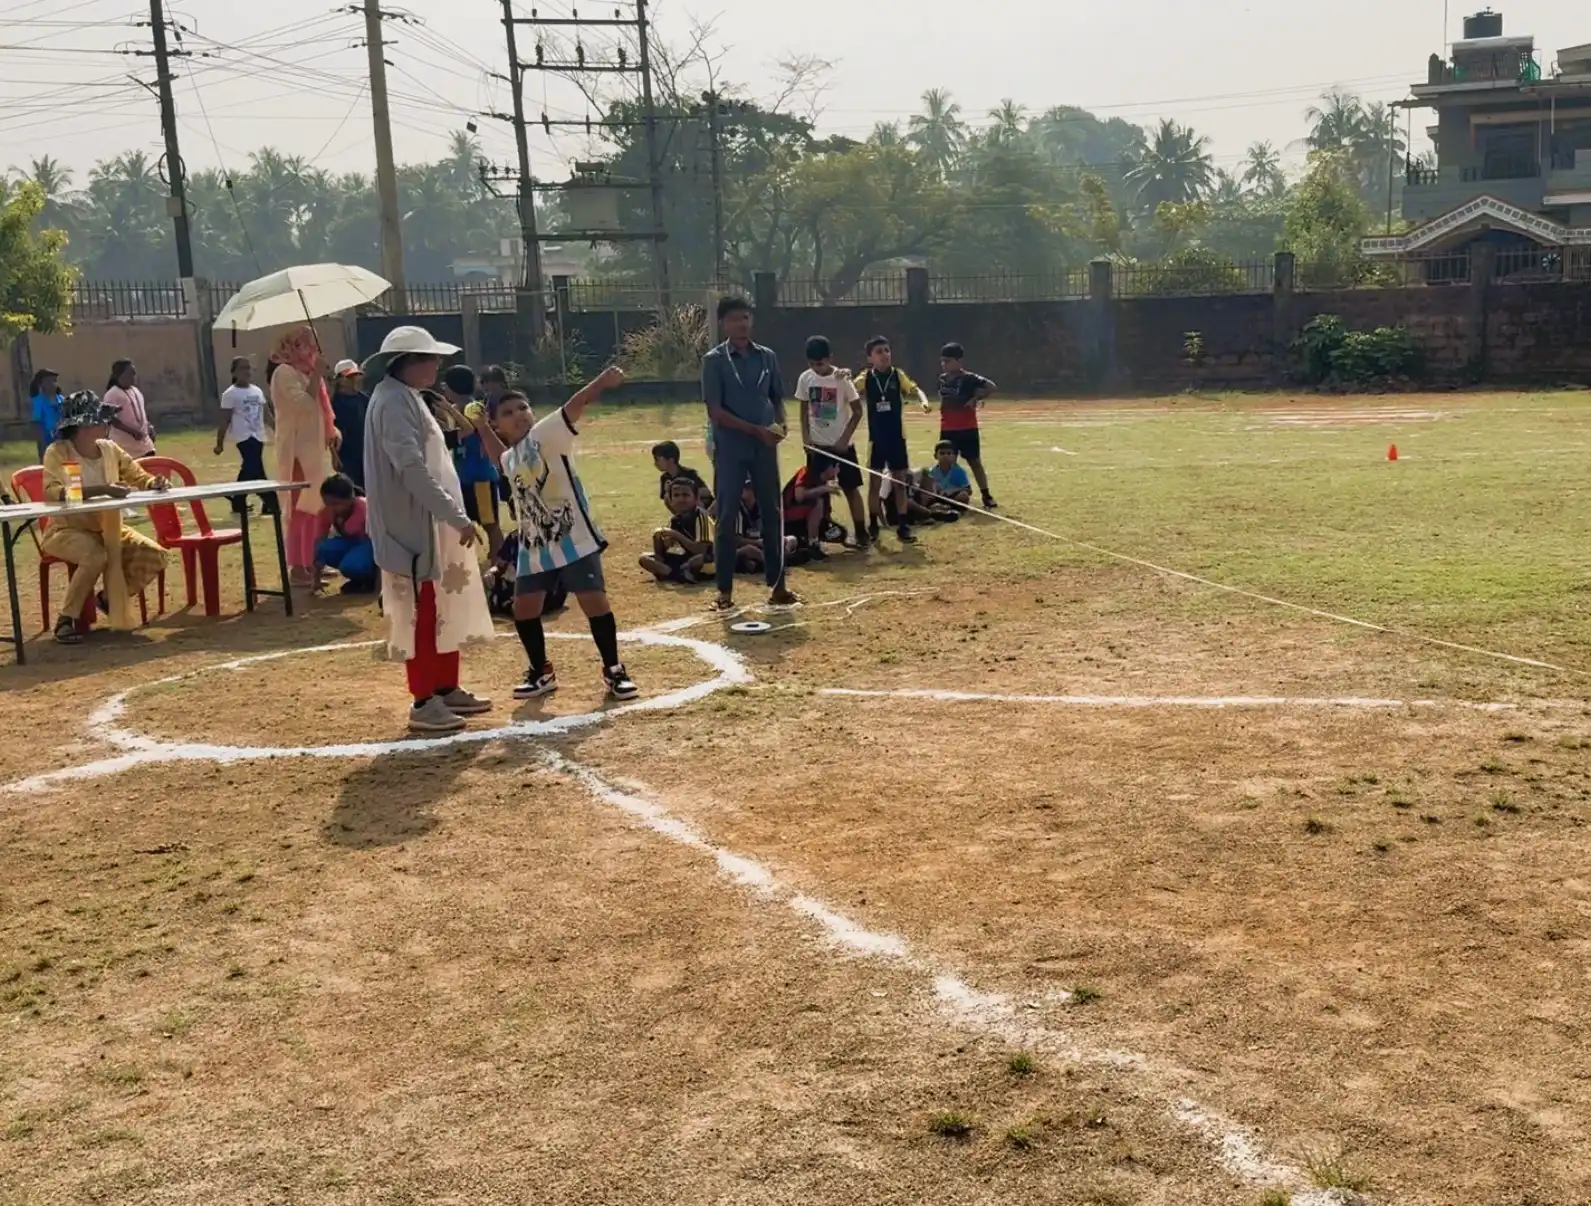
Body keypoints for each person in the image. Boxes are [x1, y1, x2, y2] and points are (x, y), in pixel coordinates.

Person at [458, 373, 638, 702]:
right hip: (535, 546)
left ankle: (614, 670)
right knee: (524, 608)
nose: (519, 414)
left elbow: (574, 405)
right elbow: (501, 459)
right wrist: (481, 427)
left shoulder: (546, 434)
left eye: (523, 407)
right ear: (498, 424)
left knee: (593, 602)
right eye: (508, 413)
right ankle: (541, 672)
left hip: (573, 538)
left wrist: (600, 382)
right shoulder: (512, 456)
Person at [362, 325, 496, 734]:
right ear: (409, 362)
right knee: (421, 612)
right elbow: (412, 470)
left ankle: (445, 684)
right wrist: (455, 514)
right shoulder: (392, 403)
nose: (437, 365)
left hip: (433, 521)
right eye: (430, 358)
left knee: (440, 606)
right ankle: (423, 699)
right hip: (413, 524)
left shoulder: (409, 398)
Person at [39, 391, 171, 644]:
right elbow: (55, 492)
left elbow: (137, 475)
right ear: (82, 426)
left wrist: (154, 482)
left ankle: (108, 601)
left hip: (109, 528)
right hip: (67, 531)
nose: (104, 424)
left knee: (156, 555)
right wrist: (104, 490)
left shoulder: (110, 449)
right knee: (95, 556)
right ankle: (66, 620)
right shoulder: (59, 452)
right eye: (98, 420)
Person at [701, 295, 799, 611]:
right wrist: (752, 429)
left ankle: (778, 586)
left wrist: (781, 427)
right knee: (727, 515)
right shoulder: (714, 360)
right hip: (730, 447)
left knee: (772, 512)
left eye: (745, 318)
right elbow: (715, 410)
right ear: (723, 324)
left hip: (764, 447)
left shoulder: (767, 357)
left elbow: (777, 398)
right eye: (734, 319)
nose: (741, 324)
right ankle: (725, 592)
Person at [270, 326, 340, 588]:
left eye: (313, 344)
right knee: (300, 509)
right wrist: (318, 374)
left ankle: (313, 559)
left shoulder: (310, 374)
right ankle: (298, 566)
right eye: (305, 345)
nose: (312, 350)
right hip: (297, 451)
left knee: (316, 508)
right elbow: (303, 405)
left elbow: (321, 411)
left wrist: (332, 431)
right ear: (291, 347)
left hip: (313, 451)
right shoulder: (284, 373)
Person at [855, 336, 926, 546]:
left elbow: (915, 389)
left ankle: (903, 525)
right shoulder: (866, 378)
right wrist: (840, 377)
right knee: (874, 483)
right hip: (876, 440)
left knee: (899, 482)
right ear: (870, 357)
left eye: (887, 350)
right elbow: (849, 390)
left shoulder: (897, 375)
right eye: (879, 351)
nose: (885, 354)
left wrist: (922, 402)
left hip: (897, 438)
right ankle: (874, 525)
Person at [796, 336, 867, 546]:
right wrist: (806, 438)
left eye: (820, 363)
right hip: (817, 448)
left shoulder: (841, 379)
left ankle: (862, 533)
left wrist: (844, 440)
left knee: (850, 488)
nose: (816, 368)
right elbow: (803, 410)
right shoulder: (805, 379)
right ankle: (816, 536)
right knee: (817, 493)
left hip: (842, 448)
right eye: (812, 364)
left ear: (830, 359)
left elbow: (857, 411)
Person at [441, 365, 503, 554]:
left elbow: (469, 428)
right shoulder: (453, 410)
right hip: (462, 478)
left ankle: (500, 568)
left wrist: (446, 408)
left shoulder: (473, 408)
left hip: (480, 477)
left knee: (490, 525)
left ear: (452, 388)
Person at [935, 342, 998, 509]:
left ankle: (986, 494)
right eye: (942, 361)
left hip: (967, 427)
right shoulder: (942, 379)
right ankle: (946, 495)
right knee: (946, 463)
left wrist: (976, 398)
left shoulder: (970, 378)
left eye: (948, 361)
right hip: (947, 428)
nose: (944, 364)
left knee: (974, 461)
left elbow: (992, 387)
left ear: (959, 361)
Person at [215, 356, 278, 517]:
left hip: (258, 435)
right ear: (234, 372)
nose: (247, 372)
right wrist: (219, 443)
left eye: (248, 368)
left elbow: (266, 415)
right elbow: (225, 419)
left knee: (252, 470)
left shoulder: (256, 391)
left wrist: (277, 430)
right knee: (254, 468)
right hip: (244, 436)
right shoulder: (230, 394)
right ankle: (270, 501)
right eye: (243, 368)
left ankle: (238, 499)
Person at [640, 477, 714, 583]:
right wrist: (659, 541)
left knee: (698, 559)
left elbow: (700, 549)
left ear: (696, 498)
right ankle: (678, 574)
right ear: (670, 500)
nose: (680, 499)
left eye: (686, 495)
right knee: (644, 558)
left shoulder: (701, 517)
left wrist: (676, 535)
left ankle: (673, 574)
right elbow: (670, 550)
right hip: (683, 560)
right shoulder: (675, 519)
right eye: (676, 495)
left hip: (705, 561)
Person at [312, 473, 375, 594]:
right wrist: (316, 578)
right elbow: (319, 541)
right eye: (328, 504)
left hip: (368, 543)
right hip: (351, 544)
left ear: (351, 497)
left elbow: (350, 530)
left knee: (351, 565)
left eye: (336, 504)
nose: (332, 508)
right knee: (323, 548)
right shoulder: (327, 511)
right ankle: (358, 580)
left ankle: (370, 580)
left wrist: (337, 519)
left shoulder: (362, 506)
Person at [781, 460, 843, 560]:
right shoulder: (806, 472)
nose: (838, 471)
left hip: (803, 517)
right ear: (828, 467)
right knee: (817, 502)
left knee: (840, 533)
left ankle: (806, 541)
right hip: (787, 518)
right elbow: (799, 496)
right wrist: (824, 489)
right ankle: (812, 544)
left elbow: (826, 514)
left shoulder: (823, 482)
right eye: (837, 467)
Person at [480, 365, 515, 518]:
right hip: (497, 446)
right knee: (505, 485)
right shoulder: (488, 399)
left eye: (487, 382)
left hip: (511, 443)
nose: (484, 387)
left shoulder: (509, 398)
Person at [329, 359, 370, 491]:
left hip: (366, 454)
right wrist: (335, 457)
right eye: (349, 377)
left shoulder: (364, 400)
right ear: (339, 379)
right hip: (346, 457)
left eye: (355, 376)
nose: (353, 380)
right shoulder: (333, 404)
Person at [103, 358, 155, 458]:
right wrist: (132, 432)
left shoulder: (135, 390)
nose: (134, 376)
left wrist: (148, 426)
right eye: (130, 373)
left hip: (145, 445)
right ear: (120, 374)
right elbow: (111, 419)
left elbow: (140, 413)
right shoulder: (112, 394)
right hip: (125, 447)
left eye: (134, 373)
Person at [652, 440, 713, 508]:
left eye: (657, 459)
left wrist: (687, 492)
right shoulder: (665, 478)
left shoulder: (688, 474)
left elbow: (706, 492)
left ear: (670, 460)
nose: (655, 463)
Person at [28, 369, 64, 461]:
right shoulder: (38, 401)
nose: (53, 384)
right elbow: (37, 423)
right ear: (41, 384)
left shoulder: (62, 400)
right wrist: (41, 443)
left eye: (55, 381)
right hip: (46, 440)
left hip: (62, 439)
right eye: (49, 381)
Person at [928, 439, 974, 507]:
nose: (945, 456)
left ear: (954, 456)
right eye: (942, 453)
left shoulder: (959, 472)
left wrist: (952, 491)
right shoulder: (932, 472)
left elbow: (968, 490)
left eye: (949, 453)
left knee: (964, 495)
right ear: (935, 456)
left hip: (954, 497)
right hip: (938, 497)